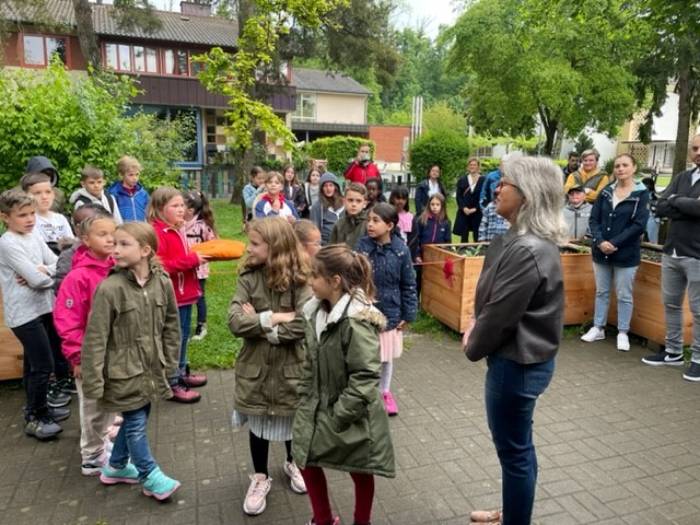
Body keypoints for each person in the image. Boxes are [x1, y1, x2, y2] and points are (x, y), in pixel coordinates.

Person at [463, 156, 568, 525]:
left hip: (516, 366)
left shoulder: (527, 248)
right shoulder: (522, 239)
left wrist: (472, 342)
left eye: (505, 182)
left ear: (527, 194)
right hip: (522, 362)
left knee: (514, 452)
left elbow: (500, 317)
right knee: (520, 448)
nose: (497, 187)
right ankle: (515, 511)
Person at [293, 245, 395, 525]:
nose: (309, 281)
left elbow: (364, 376)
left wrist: (340, 415)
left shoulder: (356, 321)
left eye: (315, 275)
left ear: (334, 281)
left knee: (360, 468)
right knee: (305, 459)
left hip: (351, 413)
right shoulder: (314, 312)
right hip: (317, 404)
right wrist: (305, 395)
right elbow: (310, 362)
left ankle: (362, 521)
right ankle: (323, 520)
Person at [81, 222, 182, 500]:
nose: (115, 249)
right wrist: (93, 382)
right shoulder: (109, 289)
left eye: (124, 244)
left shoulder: (162, 282)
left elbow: (172, 326)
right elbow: (95, 339)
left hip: (152, 369)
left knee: (139, 417)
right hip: (122, 374)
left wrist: (171, 363)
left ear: (146, 250)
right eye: (114, 243)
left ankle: (115, 467)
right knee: (136, 422)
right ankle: (149, 475)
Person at [228, 217, 312, 516]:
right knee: (259, 422)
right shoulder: (248, 277)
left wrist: (261, 324)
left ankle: (293, 463)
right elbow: (235, 322)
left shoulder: (302, 278)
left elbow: (303, 324)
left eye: (254, 244)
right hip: (256, 369)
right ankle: (260, 476)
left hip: (292, 369)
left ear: (275, 247)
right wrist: (274, 317)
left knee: (290, 420)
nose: (249, 249)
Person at [0, 189, 69, 441]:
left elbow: (57, 262)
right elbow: (38, 279)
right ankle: (35, 416)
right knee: (43, 365)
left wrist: (42, 271)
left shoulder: (34, 235)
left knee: (32, 365)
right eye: (22, 215)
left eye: (31, 214)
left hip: (43, 307)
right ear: (5, 217)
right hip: (24, 314)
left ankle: (38, 407)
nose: (30, 219)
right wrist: (41, 274)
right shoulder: (8, 243)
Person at [53, 214, 117, 475]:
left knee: (109, 400)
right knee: (92, 405)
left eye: (113, 233)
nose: (110, 238)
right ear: (85, 240)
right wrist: (77, 357)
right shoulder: (77, 278)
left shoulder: (117, 268)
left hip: (113, 352)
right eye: (103, 234)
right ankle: (91, 456)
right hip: (89, 356)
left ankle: (102, 444)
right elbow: (67, 322)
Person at [642, 134, 700, 380]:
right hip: (672, 251)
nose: (698, 152)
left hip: (697, 254)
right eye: (695, 148)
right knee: (671, 304)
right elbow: (661, 206)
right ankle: (674, 351)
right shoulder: (682, 177)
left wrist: (676, 202)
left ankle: (697, 358)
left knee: (699, 310)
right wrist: (682, 204)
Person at [580, 154, 649, 351]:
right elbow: (594, 219)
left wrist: (614, 242)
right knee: (601, 291)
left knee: (624, 294)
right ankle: (598, 327)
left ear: (633, 168)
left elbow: (638, 225)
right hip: (601, 252)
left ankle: (623, 332)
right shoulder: (606, 192)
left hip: (626, 254)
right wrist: (600, 241)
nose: (620, 169)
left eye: (625, 165)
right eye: (617, 165)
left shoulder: (641, 194)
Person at [357, 203, 417, 416]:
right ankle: (366, 393)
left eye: (376, 221)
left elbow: (409, 284)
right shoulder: (362, 246)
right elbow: (354, 277)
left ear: (390, 225)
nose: (370, 224)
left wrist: (408, 314)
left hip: (391, 312)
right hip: (364, 312)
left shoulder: (401, 250)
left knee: (386, 357)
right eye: (369, 220)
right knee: (366, 356)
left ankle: (384, 391)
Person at [148, 188, 208, 403]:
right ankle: (172, 382)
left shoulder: (177, 228)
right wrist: (191, 261)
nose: (181, 209)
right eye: (175, 206)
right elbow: (160, 265)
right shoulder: (157, 232)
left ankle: (181, 372)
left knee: (183, 335)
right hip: (172, 295)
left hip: (186, 293)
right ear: (159, 208)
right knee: (174, 338)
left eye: (182, 205)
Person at [54, 203, 112, 293]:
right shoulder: (69, 256)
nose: (110, 239)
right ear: (78, 230)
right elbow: (63, 289)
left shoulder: (115, 253)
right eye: (102, 233)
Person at [183, 190, 217, 341]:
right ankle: (184, 325)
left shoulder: (202, 226)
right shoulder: (179, 224)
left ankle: (201, 326)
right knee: (185, 297)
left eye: (180, 205)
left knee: (199, 297)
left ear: (190, 210)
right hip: (183, 269)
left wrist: (201, 255)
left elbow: (214, 244)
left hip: (199, 270)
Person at [22, 172, 75, 255]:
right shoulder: (30, 220)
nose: (44, 197)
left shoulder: (60, 218)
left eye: (48, 192)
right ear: (26, 196)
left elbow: (72, 246)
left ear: (53, 194)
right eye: (37, 193)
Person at [411, 194, 452, 298]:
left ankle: (432, 302)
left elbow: (448, 242)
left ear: (442, 206)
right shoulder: (421, 220)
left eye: (438, 204)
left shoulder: (446, 223)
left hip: (438, 258)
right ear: (428, 205)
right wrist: (417, 255)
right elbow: (416, 239)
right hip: (422, 257)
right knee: (419, 280)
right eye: (432, 204)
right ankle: (416, 302)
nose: (434, 207)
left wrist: (446, 256)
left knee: (435, 279)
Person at [107, 155, 150, 222]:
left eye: (137, 174)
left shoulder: (143, 194)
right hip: (123, 230)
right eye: (131, 175)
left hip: (141, 229)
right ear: (121, 175)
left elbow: (149, 213)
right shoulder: (113, 193)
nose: (135, 178)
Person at [329, 182, 368, 249]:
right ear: (344, 202)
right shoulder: (339, 224)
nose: (354, 204)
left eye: (358, 201)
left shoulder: (368, 224)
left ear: (364, 204)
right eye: (350, 200)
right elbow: (332, 249)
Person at [454, 158, 484, 242]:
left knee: (477, 235)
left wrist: (476, 208)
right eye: (471, 165)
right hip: (465, 211)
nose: (472, 166)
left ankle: (477, 253)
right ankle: (463, 252)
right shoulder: (462, 180)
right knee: (464, 235)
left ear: (478, 167)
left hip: (477, 211)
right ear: (468, 167)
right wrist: (463, 208)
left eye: (474, 165)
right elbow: (459, 196)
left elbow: (484, 196)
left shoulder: (483, 180)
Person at [310, 173, 344, 245]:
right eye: (325, 186)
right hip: (327, 245)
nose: (328, 189)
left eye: (331, 185)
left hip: (343, 243)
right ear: (322, 189)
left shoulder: (344, 204)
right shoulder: (317, 206)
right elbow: (315, 229)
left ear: (335, 187)